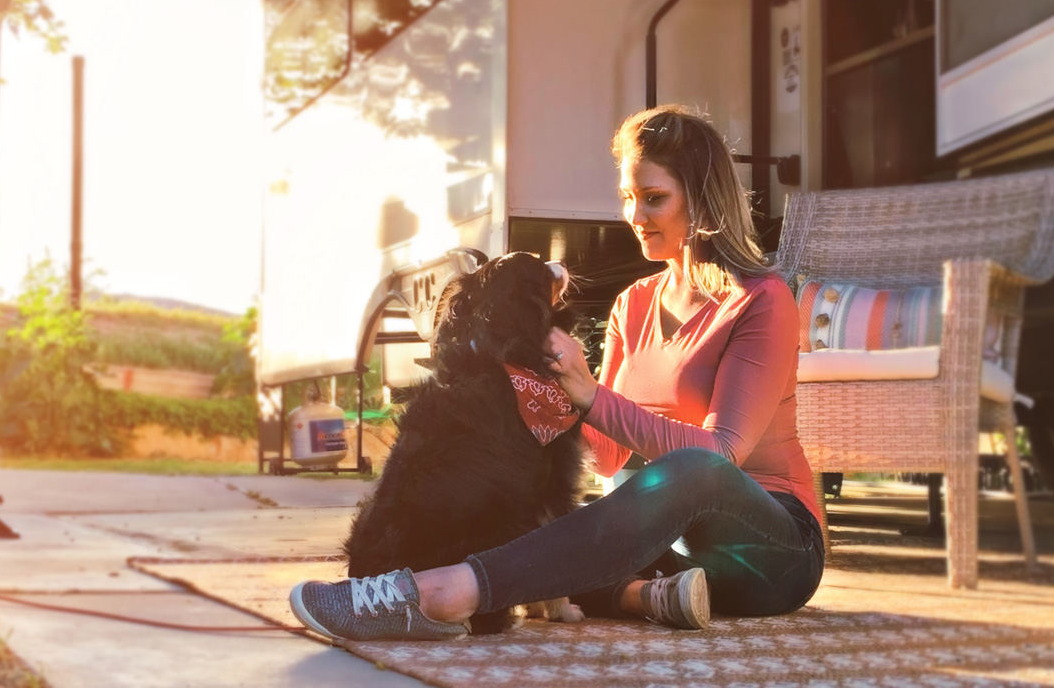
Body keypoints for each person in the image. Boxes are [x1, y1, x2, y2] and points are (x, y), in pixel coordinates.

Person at [289, 105, 819, 641]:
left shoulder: (762, 301)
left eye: (654, 198)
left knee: (691, 471)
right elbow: (606, 455)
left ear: (703, 200)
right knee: (549, 522)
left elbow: (722, 454)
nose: (635, 216)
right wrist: (516, 399)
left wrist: (589, 395)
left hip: (771, 549)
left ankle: (442, 594)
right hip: (669, 550)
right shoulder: (632, 304)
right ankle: (643, 596)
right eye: (628, 198)